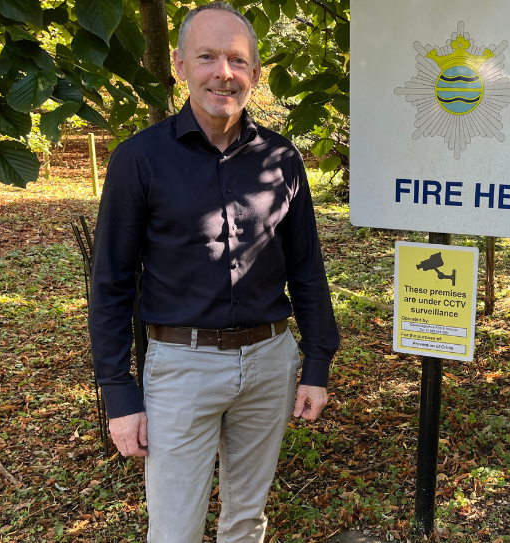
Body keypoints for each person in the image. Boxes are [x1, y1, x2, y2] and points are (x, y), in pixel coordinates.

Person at [87, 3, 340, 541]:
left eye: (237, 59)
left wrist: (317, 361)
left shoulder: (282, 160)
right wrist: (119, 394)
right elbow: (109, 282)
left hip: (271, 362)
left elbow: (307, 267)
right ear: (180, 64)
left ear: (254, 73)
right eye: (207, 57)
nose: (223, 73)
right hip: (181, 367)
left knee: (246, 520)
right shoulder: (140, 159)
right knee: (174, 529)